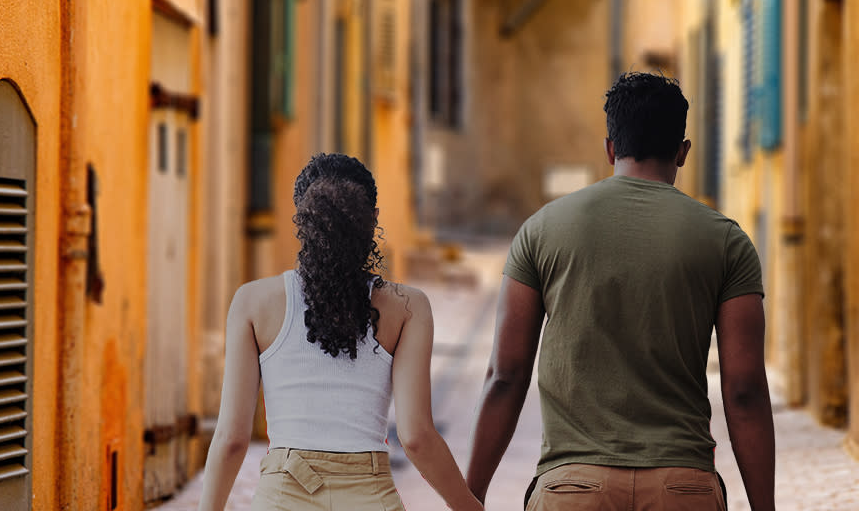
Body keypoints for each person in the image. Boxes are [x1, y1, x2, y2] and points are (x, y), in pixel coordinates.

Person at [464, 72, 775, 511]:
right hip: (683, 488)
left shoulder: (540, 231)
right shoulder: (726, 241)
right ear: (682, 153)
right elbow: (744, 389)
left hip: (570, 488)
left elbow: (505, 377)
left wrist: (469, 498)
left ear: (610, 147)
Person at [198, 153, 483, 511]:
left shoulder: (253, 302)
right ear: (372, 220)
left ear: (301, 219)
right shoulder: (409, 308)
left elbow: (231, 440)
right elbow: (417, 438)